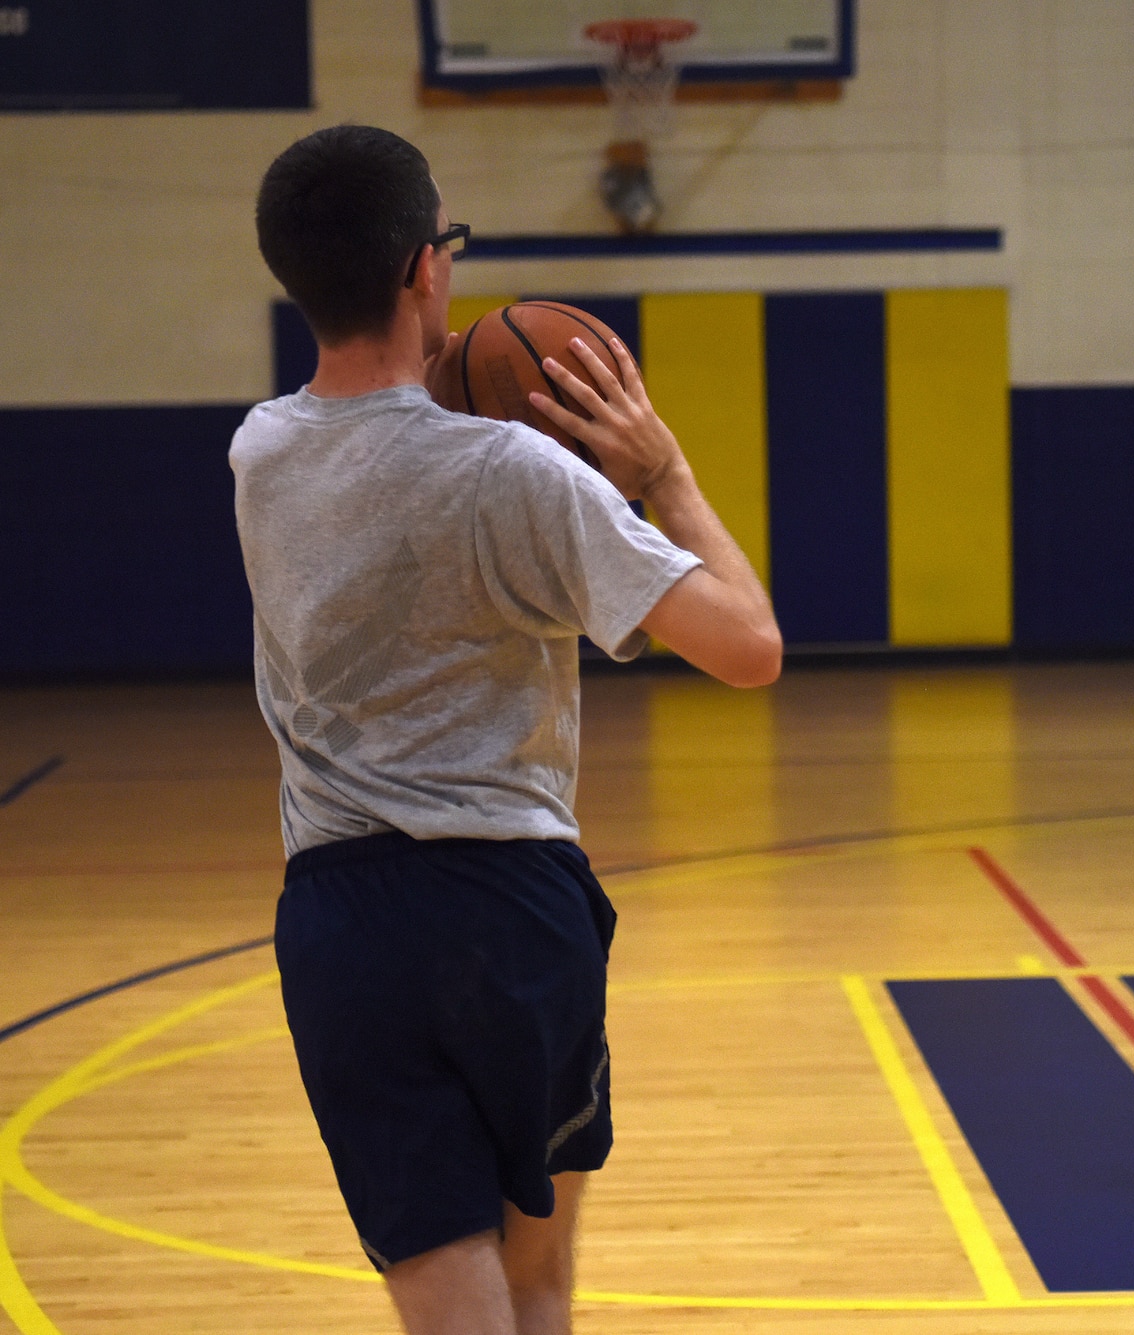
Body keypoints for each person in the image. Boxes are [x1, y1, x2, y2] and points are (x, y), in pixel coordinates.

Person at [234, 125, 781, 1335]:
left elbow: (381, 448)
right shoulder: (523, 478)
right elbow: (750, 647)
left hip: (341, 921)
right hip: (511, 906)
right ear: (429, 270)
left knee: (442, 1290)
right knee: (534, 1284)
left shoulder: (259, 453)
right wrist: (665, 473)